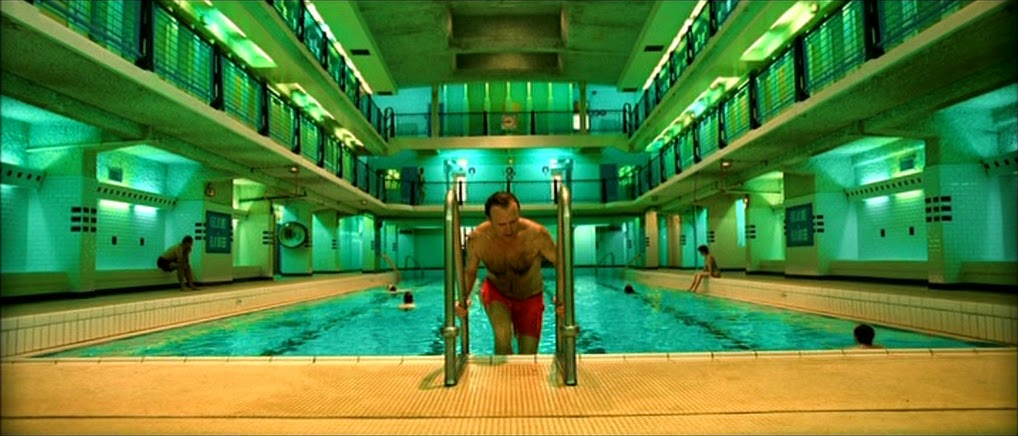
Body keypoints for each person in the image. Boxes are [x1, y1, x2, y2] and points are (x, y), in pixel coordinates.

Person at [455, 192, 557, 355]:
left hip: (530, 297)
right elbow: (470, 271)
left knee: (528, 355)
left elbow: (561, 262)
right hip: (497, 293)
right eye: (502, 224)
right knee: (502, 337)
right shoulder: (479, 239)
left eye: (513, 222)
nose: (509, 229)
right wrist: (462, 299)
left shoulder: (536, 235)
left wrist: (563, 297)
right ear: (489, 220)